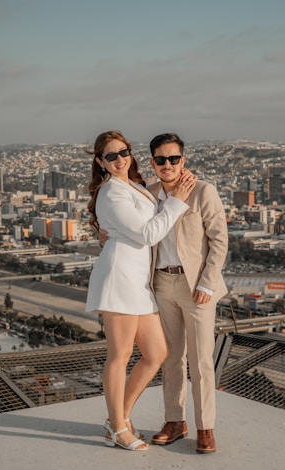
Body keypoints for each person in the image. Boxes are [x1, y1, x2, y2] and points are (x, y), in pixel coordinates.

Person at [84, 130, 196, 451]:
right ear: (100, 162)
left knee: (156, 353)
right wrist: (177, 202)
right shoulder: (111, 192)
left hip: (137, 281)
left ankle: (120, 418)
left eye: (124, 152)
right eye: (111, 156)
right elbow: (147, 234)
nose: (120, 159)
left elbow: (133, 228)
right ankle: (118, 428)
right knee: (119, 356)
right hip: (120, 277)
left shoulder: (133, 186)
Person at [146, 133, 229, 454]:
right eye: (161, 159)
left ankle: (205, 426)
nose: (168, 165)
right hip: (161, 284)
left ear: (184, 160)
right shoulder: (149, 195)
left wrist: (207, 283)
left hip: (196, 287)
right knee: (171, 358)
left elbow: (219, 241)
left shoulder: (203, 191)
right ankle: (174, 421)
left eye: (174, 159)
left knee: (201, 360)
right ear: (152, 162)